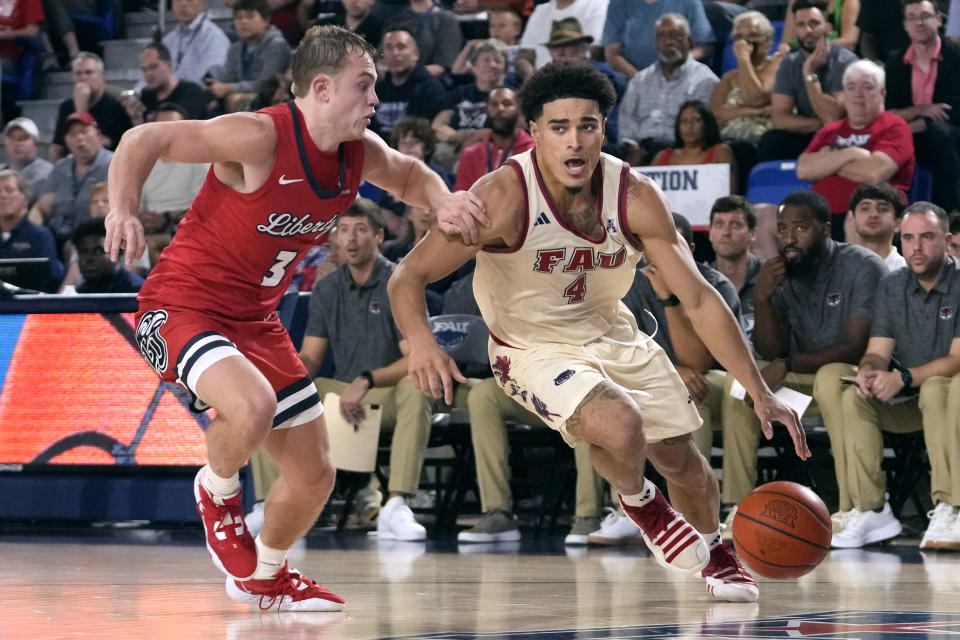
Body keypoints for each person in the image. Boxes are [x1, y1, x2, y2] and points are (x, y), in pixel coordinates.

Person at [387, 59, 809, 603]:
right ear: (534, 132)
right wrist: (421, 343)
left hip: (613, 333)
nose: (574, 141)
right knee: (620, 423)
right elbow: (408, 277)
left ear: (603, 129)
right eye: (559, 128)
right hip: (529, 346)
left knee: (685, 462)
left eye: (587, 125)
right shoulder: (503, 197)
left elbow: (699, 298)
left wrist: (759, 389)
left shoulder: (634, 195)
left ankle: (714, 548)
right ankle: (642, 505)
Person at [103, 25, 485, 611]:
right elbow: (141, 137)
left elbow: (410, 175)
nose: (376, 100)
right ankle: (217, 489)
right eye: (366, 86)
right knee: (251, 407)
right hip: (182, 305)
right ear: (324, 88)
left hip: (255, 319)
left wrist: (445, 200)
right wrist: (124, 210)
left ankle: (266, 575)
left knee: (315, 475)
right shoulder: (258, 136)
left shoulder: (361, 154)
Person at [253, 198, 440, 541]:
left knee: (417, 388)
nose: (350, 240)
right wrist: (279, 378)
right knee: (275, 397)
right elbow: (310, 357)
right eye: (343, 231)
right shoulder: (327, 287)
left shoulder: (398, 283)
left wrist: (365, 382)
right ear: (335, 238)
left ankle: (396, 506)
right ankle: (269, 508)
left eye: (360, 231)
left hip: (384, 392)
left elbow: (414, 358)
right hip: (340, 394)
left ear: (379, 236)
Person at [720, 189, 885, 519]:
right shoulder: (778, 272)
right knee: (739, 386)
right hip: (800, 387)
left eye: (801, 228)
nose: (789, 238)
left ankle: (853, 508)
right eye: (782, 229)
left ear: (825, 230)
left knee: (828, 376)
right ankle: (738, 506)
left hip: (855, 382)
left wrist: (786, 364)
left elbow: (855, 346)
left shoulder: (861, 266)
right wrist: (764, 298)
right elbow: (770, 349)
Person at [586, 213, 743, 545]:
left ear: (691, 249)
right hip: (650, 376)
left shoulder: (715, 284)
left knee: (688, 393)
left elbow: (700, 361)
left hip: (711, 377)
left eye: (674, 244)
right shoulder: (627, 283)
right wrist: (671, 371)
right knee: (595, 408)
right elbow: (620, 350)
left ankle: (697, 515)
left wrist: (668, 297)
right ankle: (624, 508)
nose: (662, 255)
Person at [831, 201, 960, 550]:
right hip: (912, 401)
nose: (916, 248)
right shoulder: (892, 285)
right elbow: (877, 350)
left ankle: (953, 505)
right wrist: (870, 371)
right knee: (853, 397)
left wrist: (902, 379)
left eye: (928, 237)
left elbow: (956, 360)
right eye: (908, 238)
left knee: (939, 388)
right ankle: (872, 509)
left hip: (950, 395)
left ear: (947, 241)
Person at [796, 60, 915, 222]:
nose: (858, 94)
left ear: (882, 92)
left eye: (867, 87)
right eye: (851, 87)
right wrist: (853, 153)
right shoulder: (829, 131)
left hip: (873, 218)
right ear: (843, 95)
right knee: (765, 212)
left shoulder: (895, 127)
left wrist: (828, 161)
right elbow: (803, 169)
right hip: (821, 217)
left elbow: (874, 173)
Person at [758, 0, 857, 162]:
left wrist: (809, 73)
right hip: (811, 131)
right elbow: (779, 118)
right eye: (801, 25)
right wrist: (817, 124)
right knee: (771, 141)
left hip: (843, 137)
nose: (808, 31)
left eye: (814, 24)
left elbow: (831, 117)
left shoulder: (846, 62)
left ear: (828, 28)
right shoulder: (789, 63)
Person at [885, 0, 960, 212]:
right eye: (912, 17)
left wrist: (908, 124)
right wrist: (922, 110)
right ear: (905, 25)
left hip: (951, 136)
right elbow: (890, 113)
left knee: (940, 133)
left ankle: (950, 215)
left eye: (925, 16)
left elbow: (953, 111)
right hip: (912, 135)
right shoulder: (896, 63)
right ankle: (895, 217)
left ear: (938, 20)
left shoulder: (956, 57)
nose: (919, 22)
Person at [618, 14, 720, 166]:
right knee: (603, 154)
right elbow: (627, 120)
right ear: (655, 41)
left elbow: (702, 130)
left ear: (689, 40)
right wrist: (633, 147)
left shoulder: (705, 80)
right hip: (637, 149)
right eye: (661, 36)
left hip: (677, 148)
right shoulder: (640, 80)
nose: (668, 41)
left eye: (675, 35)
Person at [32, 112, 113, 249]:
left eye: (84, 131)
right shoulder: (61, 167)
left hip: (97, 235)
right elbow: (43, 207)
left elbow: (106, 210)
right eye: (72, 133)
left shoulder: (114, 163)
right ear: (66, 140)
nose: (79, 138)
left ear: (98, 135)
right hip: (59, 234)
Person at [708, 11, 787, 144]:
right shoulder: (729, 77)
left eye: (753, 35)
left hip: (763, 139)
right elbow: (713, 115)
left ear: (767, 40)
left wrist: (743, 60)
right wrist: (758, 111)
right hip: (726, 141)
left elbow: (756, 98)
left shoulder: (778, 64)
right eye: (738, 37)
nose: (744, 42)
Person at [206, 0, 294, 114]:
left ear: (266, 20)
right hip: (239, 96)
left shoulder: (277, 45)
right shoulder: (235, 48)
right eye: (239, 18)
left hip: (269, 101)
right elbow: (228, 78)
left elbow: (265, 85)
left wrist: (228, 88)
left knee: (233, 99)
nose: (244, 22)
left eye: (250, 16)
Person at [432, 39, 510, 162]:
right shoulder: (459, 93)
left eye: (498, 61)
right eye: (486, 60)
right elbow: (438, 125)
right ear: (474, 66)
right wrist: (455, 135)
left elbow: (511, 131)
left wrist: (474, 137)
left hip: (490, 147)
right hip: (455, 144)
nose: (492, 65)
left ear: (505, 68)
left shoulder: (510, 97)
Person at [49, 53, 134, 161]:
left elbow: (90, 147)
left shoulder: (115, 107)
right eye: (78, 74)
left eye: (88, 72)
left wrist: (81, 108)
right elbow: (57, 147)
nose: (83, 78)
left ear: (101, 78)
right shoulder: (66, 107)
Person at [602, 0, 713, 79]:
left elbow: (705, 47)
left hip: (680, 75)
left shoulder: (689, 3)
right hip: (630, 77)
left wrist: (677, 65)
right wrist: (640, 78)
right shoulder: (618, 4)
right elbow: (612, 54)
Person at [370, 27, 448, 138]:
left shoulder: (432, 89)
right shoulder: (376, 90)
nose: (395, 53)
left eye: (401, 47)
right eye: (389, 48)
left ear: (416, 53)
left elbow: (430, 134)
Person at [453, 86, 535, 192]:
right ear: (486, 110)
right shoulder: (471, 154)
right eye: (494, 104)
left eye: (507, 104)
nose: (500, 109)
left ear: (518, 110)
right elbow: (461, 196)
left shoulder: (533, 153)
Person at [708, 195, 763, 346]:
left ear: (753, 234)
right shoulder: (700, 280)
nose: (725, 232)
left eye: (735, 225)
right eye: (719, 224)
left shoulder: (770, 276)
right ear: (710, 233)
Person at [650, 101, 735, 193]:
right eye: (684, 121)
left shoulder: (721, 152)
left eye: (696, 120)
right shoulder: (661, 156)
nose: (689, 125)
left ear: (707, 123)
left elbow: (729, 195)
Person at [0, 169, 62, 293]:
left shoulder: (40, 236)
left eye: (9, 190)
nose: (2, 195)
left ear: (26, 198)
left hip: (30, 305)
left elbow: (50, 279)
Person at [520, 0, 608, 68]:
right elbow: (523, 57)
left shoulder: (598, 4)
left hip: (581, 78)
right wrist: (536, 81)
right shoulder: (540, 10)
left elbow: (596, 51)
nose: (560, 53)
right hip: (540, 80)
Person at [162, 0, 232, 86]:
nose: (183, 3)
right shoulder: (168, 40)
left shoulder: (216, 38)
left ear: (203, 4)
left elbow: (208, 81)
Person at [138, 43, 209, 121]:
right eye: (144, 70)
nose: (148, 74)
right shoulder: (147, 95)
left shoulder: (191, 92)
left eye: (153, 66)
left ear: (168, 65)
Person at [72, 219, 146, 294]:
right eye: (83, 252)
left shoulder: (140, 292)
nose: (90, 258)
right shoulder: (79, 293)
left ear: (119, 254)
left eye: (98, 251)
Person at [845, 183, 908, 270]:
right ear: (852, 221)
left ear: (898, 224)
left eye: (883, 209)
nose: (873, 214)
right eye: (865, 208)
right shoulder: (838, 271)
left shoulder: (908, 273)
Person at [0, 118, 53, 200]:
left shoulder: (46, 173)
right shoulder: (2, 170)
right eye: (12, 138)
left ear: (35, 144)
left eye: (23, 138)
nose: (17, 143)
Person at [779, 0, 861, 51]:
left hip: (837, 58)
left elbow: (849, 42)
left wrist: (810, 48)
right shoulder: (795, 2)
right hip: (802, 56)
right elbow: (786, 44)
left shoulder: (849, 1)